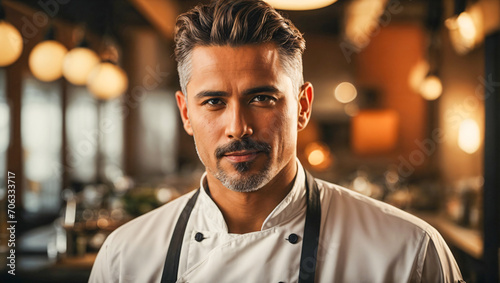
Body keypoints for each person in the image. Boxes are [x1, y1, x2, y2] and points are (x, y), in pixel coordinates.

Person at [89, 0, 464, 282]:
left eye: (262, 98)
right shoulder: (125, 258)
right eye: (214, 102)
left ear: (302, 106)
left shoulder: (408, 251)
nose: (238, 127)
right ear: (187, 113)